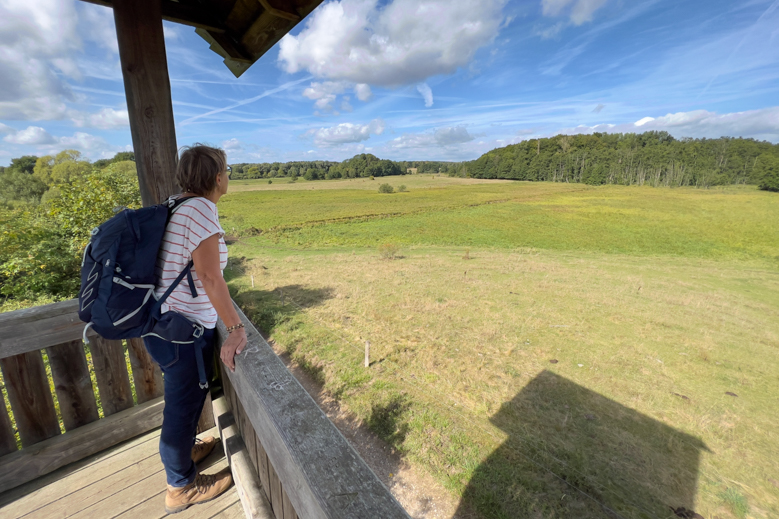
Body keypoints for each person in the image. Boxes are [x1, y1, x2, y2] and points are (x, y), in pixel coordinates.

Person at [143, 144, 248, 514]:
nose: (228, 176)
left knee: (183, 402)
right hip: (181, 332)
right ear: (218, 177)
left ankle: (186, 450)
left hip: (164, 324)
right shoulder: (202, 209)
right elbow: (208, 276)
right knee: (181, 406)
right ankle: (180, 486)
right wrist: (234, 328)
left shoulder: (177, 205)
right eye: (227, 170)